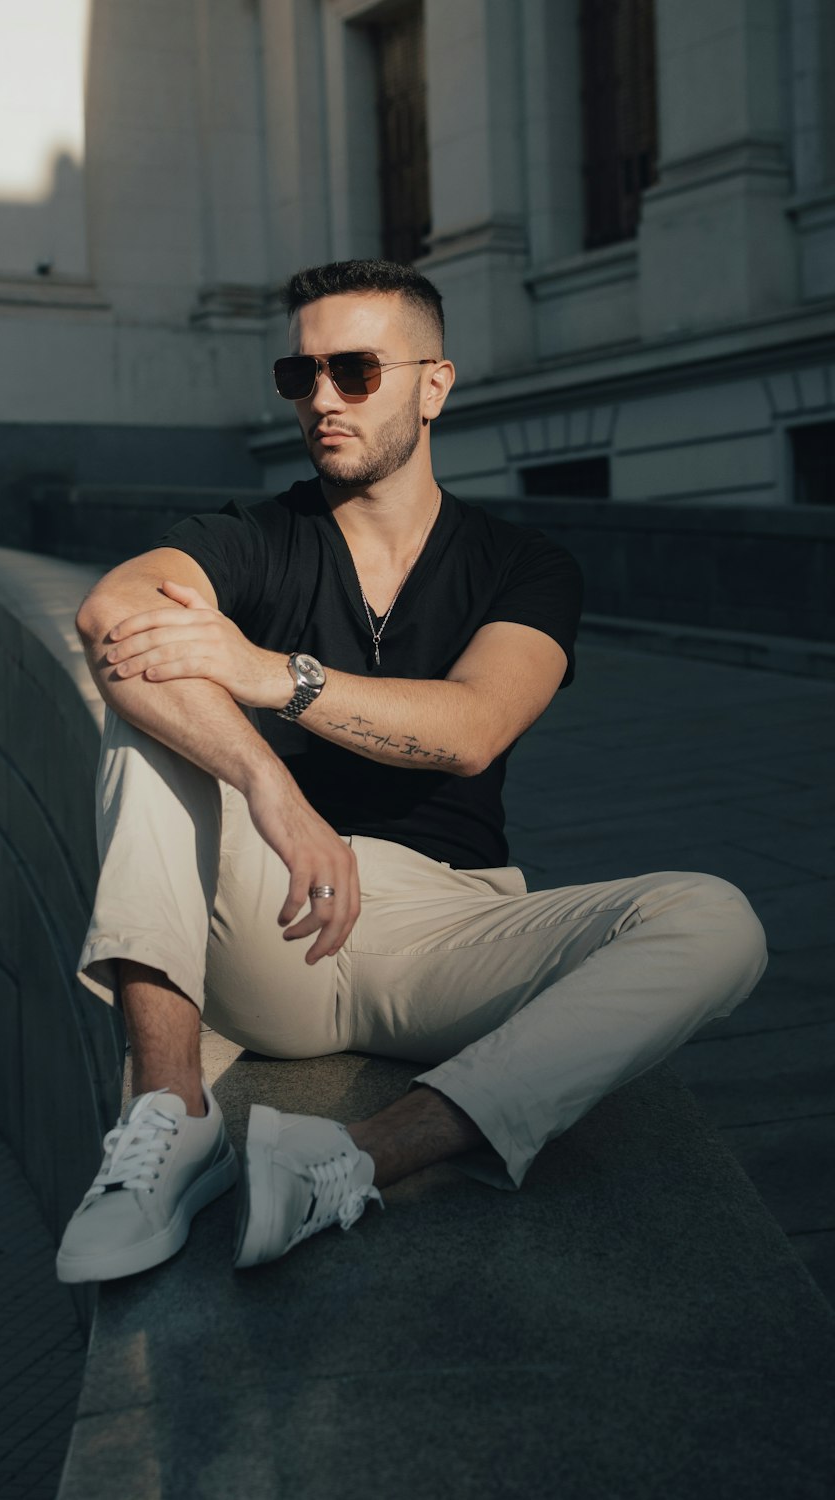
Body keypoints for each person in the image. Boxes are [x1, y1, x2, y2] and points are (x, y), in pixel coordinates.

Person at [56, 259, 767, 1284]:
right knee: (144, 712)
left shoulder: (522, 563)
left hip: (445, 927)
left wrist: (269, 675)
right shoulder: (253, 537)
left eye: (354, 371)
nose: (322, 401)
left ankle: (355, 1158)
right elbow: (110, 619)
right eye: (297, 376)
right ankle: (169, 1117)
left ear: (433, 384)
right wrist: (271, 789)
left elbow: (473, 728)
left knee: (716, 920)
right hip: (272, 918)